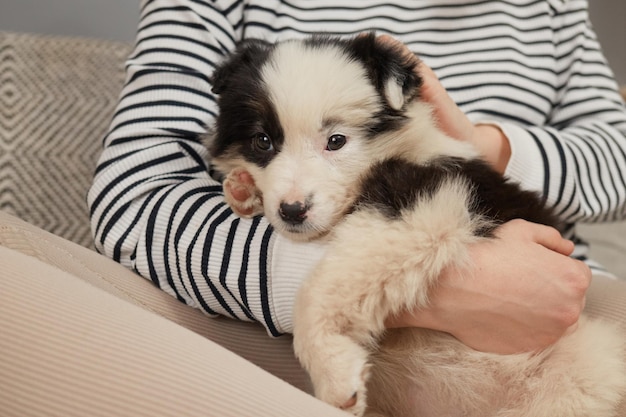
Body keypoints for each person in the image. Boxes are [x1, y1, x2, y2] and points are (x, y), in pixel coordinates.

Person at [86, 0, 625, 397]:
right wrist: (431, 288)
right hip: (277, 326)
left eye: (336, 141)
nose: (292, 191)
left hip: (556, 305)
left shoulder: (552, 8)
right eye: (265, 142)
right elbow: (132, 198)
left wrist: (485, 146)